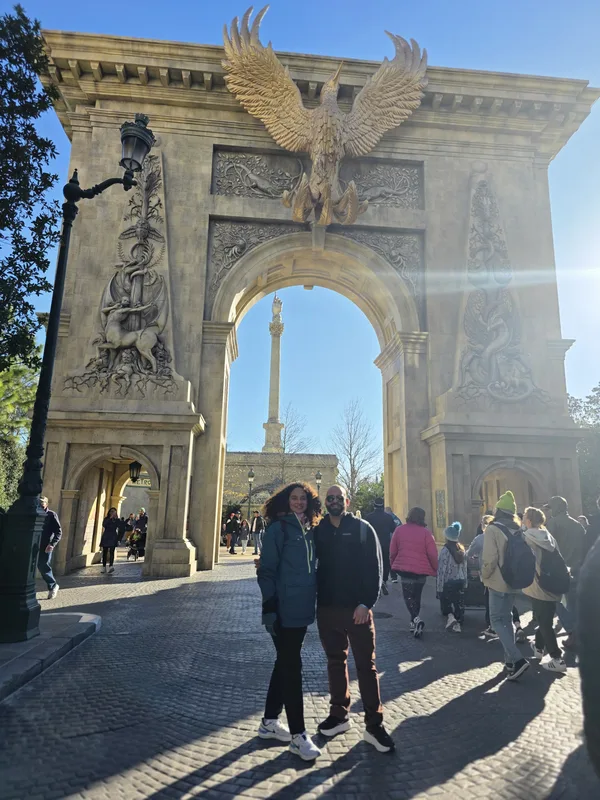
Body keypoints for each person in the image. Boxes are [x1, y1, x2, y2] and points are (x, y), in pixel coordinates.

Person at [314, 485, 394, 753]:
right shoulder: (319, 531)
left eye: (339, 498)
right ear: (326, 502)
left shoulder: (362, 528)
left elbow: (375, 568)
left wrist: (366, 603)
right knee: (336, 662)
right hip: (327, 610)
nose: (334, 501)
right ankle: (339, 715)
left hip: (357, 611)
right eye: (330, 498)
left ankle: (374, 725)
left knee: (365, 666)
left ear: (347, 501)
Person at [256, 482, 321, 761]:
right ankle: (298, 735)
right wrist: (270, 608)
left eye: (302, 498)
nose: (298, 502)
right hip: (283, 611)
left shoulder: (309, 531)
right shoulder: (278, 530)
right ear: (285, 501)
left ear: (309, 502)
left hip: (302, 609)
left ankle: (269, 722)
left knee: (284, 663)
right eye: (293, 498)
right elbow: (267, 571)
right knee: (292, 667)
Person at [481, 490, 529, 680]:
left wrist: (484, 576)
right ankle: (510, 662)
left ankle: (517, 659)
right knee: (507, 618)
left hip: (497, 581)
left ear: (498, 511)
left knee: (496, 620)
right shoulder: (518, 529)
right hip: (513, 581)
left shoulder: (493, 529)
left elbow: (490, 559)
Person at [522, 506, 567, 673]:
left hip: (538, 583)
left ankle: (557, 658)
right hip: (554, 582)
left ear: (528, 520)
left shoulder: (526, 537)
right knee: (545, 617)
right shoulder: (548, 536)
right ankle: (539, 649)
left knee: (544, 621)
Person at [389, 507, 438, 638]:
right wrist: (435, 568)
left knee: (408, 597)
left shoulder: (399, 530)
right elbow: (432, 554)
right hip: (422, 571)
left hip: (405, 570)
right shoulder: (426, 533)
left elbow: (393, 551)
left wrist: (393, 563)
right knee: (417, 596)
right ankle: (413, 622)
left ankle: (416, 619)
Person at [546, 496, 586, 650]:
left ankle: (572, 631)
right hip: (578, 568)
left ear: (556, 508)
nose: (549, 511)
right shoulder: (578, 525)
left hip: (560, 569)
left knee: (557, 601)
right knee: (574, 603)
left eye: (550, 508)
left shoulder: (553, 523)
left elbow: (548, 547)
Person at [437, 522, 468, 633]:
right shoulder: (462, 549)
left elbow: (441, 570)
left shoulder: (445, 551)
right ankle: (458, 623)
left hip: (448, 581)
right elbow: (465, 567)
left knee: (447, 602)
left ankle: (451, 618)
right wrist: (465, 582)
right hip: (460, 580)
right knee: (458, 602)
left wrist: (439, 587)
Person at [365, 498, 397, 596]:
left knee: (373, 564)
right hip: (385, 544)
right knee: (385, 563)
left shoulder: (368, 517)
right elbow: (394, 529)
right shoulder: (388, 517)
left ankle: (376, 582)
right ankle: (384, 580)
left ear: (374, 505)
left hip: (372, 545)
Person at [38, 496, 62, 599]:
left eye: (42, 504)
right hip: (34, 544)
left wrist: (52, 544)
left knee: (43, 566)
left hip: (46, 545)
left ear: (46, 504)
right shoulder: (35, 513)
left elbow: (58, 531)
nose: (40, 506)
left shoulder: (51, 515)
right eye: (38, 504)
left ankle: (53, 586)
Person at [100, 507, 121, 573]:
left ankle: (111, 566)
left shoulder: (117, 520)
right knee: (105, 552)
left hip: (113, 536)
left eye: (114, 512)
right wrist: (110, 518)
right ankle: (104, 567)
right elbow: (104, 525)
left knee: (112, 551)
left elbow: (120, 527)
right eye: (111, 511)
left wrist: (117, 519)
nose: (112, 513)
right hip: (106, 535)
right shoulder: (106, 519)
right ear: (109, 512)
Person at [385, 506, 402, 583]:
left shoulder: (386, 518)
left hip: (388, 541)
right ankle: (394, 576)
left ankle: (389, 577)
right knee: (394, 558)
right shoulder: (396, 519)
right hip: (396, 542)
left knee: (388, 558)